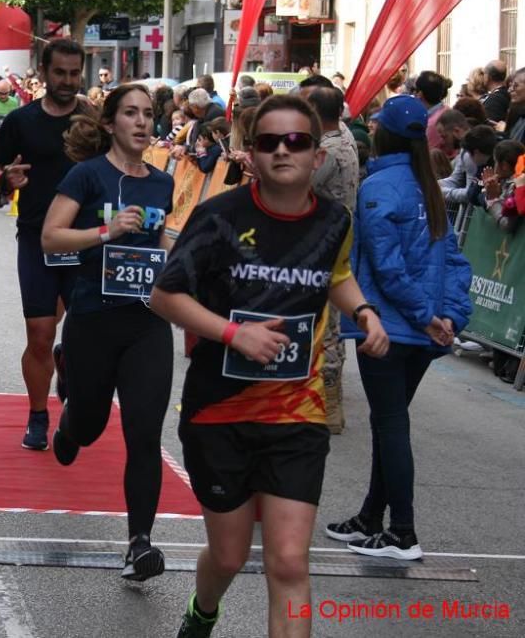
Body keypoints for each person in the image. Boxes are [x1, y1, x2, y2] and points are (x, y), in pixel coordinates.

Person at [150, 94, 389, 638]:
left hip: (296, 414)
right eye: (269, 141)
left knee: (287, 562)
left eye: (297, 141)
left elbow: (337, 275)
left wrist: (364, 311)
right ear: (251, 154)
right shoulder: (219, 217)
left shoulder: (334, 221)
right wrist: (234, 333)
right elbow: (164, 296)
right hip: (220, 413)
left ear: (317, 155)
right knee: (230, 556)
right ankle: (203, 609)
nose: (284, 150)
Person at [326, 95, 472, 561]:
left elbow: (387, 269)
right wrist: (448, 315)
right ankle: (372, 517)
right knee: (391, 424)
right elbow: (454, 260)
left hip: (393, 327)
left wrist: (428, 316)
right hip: (423, 328)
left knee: (390, 427)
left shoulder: (380, 187)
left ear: (383, 134)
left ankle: (402, 531)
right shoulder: (425, 185)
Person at [41, 83, 174, 579]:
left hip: (146, 323)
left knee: (144, 432)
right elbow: (51, 236)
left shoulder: (163, 181)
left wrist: (174, 265)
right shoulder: (87, 175)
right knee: (92, 427)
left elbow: (159, 244)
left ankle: (140, 543)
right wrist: (107, 231)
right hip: (93, 318)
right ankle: (70, 417)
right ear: (110, 123)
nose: (142, 122)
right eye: (131, 114)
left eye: (147, 114)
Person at [0, 38, 87, 450]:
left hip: (86, 240)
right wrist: (5, 178)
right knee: (41, 333)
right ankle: (39, 416)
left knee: (85, 333)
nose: (67, 81)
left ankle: (71, 371)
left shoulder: (92, 120)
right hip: (38, 238)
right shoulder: (22, 120)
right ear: (43, 73)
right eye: (59, 72)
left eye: (74, 73)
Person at [306, 87, 361, 436]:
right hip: (333, 234)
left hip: (324, 238)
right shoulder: (344, 135)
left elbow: (303, 183)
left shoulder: (329, 147)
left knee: (326, 321)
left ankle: (328, 401)